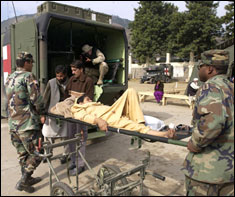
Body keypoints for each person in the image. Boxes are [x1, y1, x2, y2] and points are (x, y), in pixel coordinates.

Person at [181, 50, 234, 196]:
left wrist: (195, 143)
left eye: (200, 66)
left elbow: (214, 122)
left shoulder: (211, 87)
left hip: (208, 173)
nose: (199, 70)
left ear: (210, 69)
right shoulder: (231, 87)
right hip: (229, 172)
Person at [50, 88, 175, 138]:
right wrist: (99, 121)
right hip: (109, 118)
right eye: (88, 99)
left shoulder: (94, 104)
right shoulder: (78, 108)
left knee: (131, 90)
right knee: (136, 128)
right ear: (81, 102)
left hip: (114, 110)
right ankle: (163, 134)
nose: (91, 100)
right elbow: (83, 117)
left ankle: (140, 121)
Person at [5, 52, 46, 193]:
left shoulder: (9, 78)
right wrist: (42, 113)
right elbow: (36, 99)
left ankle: (27, 179)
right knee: (39, 152)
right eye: (31, 62)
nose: (32, 65)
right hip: (26, 124)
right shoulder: (28, 77)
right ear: (26, 62)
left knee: (23, 154)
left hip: (13, 125)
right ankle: (23, 181)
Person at [64, 60, 94, 176]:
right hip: (71, 114)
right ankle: (73, 161)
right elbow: (66, 95)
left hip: (81, 116)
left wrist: (78, 105)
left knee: (81, 139)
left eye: (75, 70)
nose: (73, 72)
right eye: (72, 70)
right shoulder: (72, 80)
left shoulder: (88, 81)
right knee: (71, 138)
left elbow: (89, 99)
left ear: (81, 69)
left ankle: (80, 165)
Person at [42, 65, 69, 164]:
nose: (59, 78)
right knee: (48, 134)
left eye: (61, 76)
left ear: (65, 75)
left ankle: (66, 155)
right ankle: (48, 153)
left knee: (66, 135)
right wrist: (43, 114)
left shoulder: (70, 82)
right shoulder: (51, 82)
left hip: (65, 113)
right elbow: (45, 98)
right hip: (52, 113)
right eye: (58, 76)